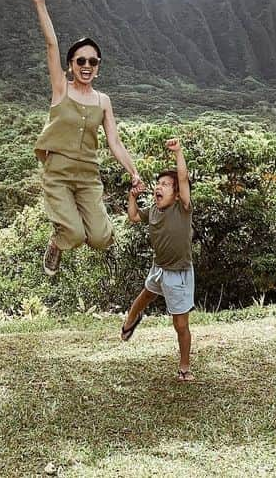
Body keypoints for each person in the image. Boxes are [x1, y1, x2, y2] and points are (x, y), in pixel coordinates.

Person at [17, 0, 143, 276]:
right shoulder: (61, 88)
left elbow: (114, 142)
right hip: (58, 174)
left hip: (88, 176)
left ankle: (90, 221)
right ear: (71, 65)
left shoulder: (103, 101)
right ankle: (57, 244)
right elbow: (51, 44)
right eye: (81, 61)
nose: (87, 66)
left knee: (101, 239)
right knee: (73, 235)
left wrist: (134, 172)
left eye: (93, 62)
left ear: (98, 68)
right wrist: (40, 4)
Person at [120, 138, 195, 382]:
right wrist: (132, 196)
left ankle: (184, 367)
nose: (159, 187)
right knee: (145, 296)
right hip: (159, 268)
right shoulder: (152, 210)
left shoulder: (182, 208)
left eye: (166, 185)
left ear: (176, 194)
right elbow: (132, 216)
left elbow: (183, 178)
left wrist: (178, 152)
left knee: (180, 325)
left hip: (179, 273)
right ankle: (131, 319)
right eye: (158, 184)